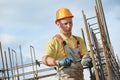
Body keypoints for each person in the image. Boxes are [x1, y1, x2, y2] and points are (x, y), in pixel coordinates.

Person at [41, 7, 93, 80]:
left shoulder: (79, 40)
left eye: (70, 22)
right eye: (65, 23)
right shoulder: (54, 42)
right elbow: (44, 59)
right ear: (58, 24)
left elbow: (85, 54)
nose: (69, 26)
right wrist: (58, 62)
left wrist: (86, 60)